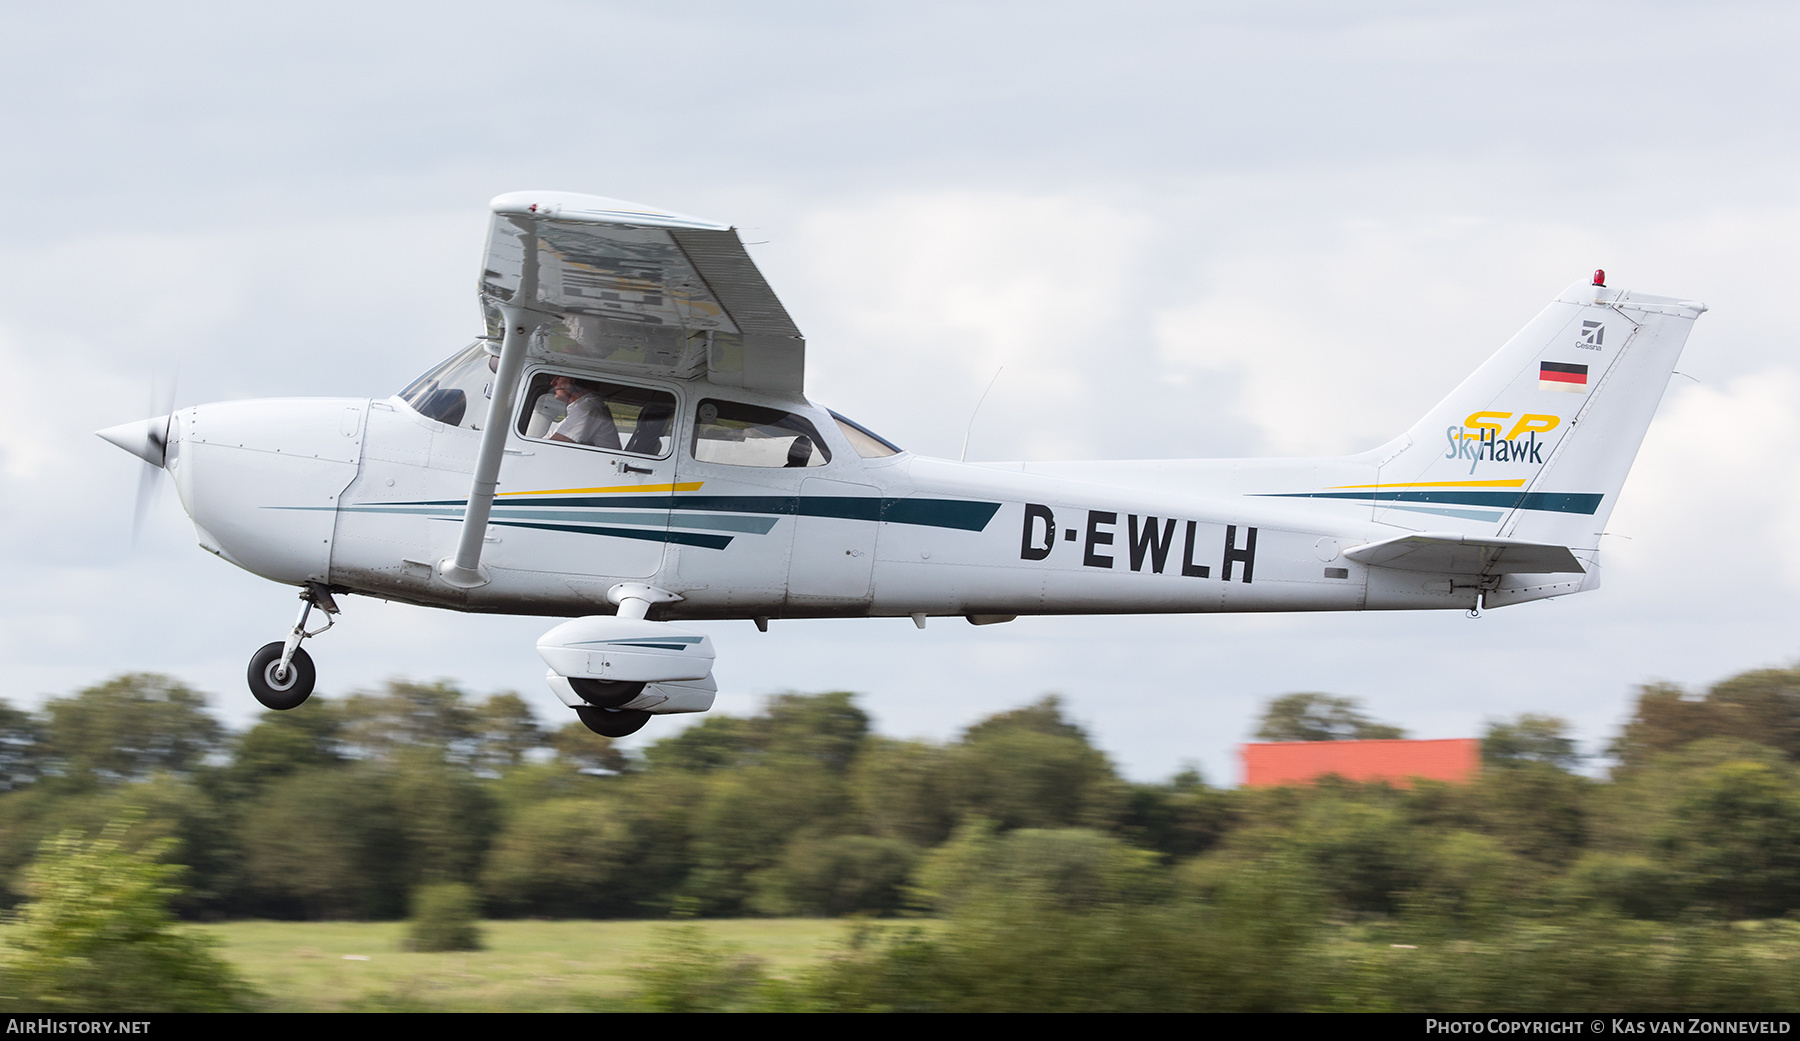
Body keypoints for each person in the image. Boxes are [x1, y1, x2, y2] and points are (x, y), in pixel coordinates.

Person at [547, 375, 621, 449]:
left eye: (559, 377)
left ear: (577, 382)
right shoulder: (580, 408)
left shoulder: (588, 407)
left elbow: (556, 444)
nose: (553, 382)